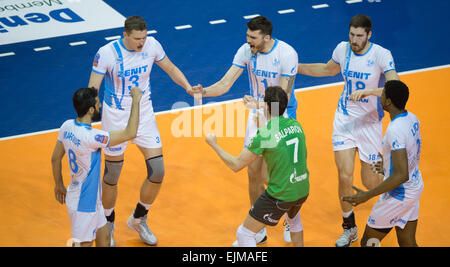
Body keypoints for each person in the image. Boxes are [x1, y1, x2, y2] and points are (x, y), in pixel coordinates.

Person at [87, 15, 196, 246]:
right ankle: (108, 222)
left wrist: (187, 87)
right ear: (125, 34)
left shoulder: (152, 45)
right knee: (112, 175)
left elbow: (171, 68)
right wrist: (87, 121)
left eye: (144, 37)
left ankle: (139, 219)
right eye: (137, 38)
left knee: (157, 171)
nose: (142, 42)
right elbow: (92, 89)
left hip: (144, 115)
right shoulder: (106, 53)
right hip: (115, 118)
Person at [193, 15, 299, 244]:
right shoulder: (246, 51)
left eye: (253, 37)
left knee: (277, 176)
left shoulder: (287, 54)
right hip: (257, 114)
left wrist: (259, 105)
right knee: (253, 174)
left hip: (280, 116)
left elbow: (283, 98)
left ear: (266, 37)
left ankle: (292, 221)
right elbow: (225, 83)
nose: (248, 40)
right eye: (247, 35)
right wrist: (204, 92)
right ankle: (257, 229)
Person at [296, 14, 400, 247]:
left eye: (359, 36)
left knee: (371, 183)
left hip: (371, 124)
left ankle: (395, 201)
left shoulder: (381, 55)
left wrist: (369, 92)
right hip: (344, 121)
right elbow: (327, 70)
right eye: (351, 34)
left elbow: (396, 87)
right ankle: (349, 228)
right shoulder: (343, 49)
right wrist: (297, 67)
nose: (354, 40)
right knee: (344, 176)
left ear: (369, 35)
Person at [205, 86, 309, 247]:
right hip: (302, 190)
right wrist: (264, 128)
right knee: (294, 220)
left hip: (281, 194)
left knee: (244, 234)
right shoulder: (296, 125)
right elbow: (276, 148)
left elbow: (236, 165)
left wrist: (214, 145)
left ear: (266, 107)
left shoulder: (264, 135)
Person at [51, 86, 143, 247]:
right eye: (98, 103)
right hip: (83, 205)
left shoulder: (66, 126)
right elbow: (130, 133)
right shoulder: (92, 137)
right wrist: (135, 100)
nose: (100, 106)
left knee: (105, 239)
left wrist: (58, 184)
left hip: (90, 200)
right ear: (91, 110)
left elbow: (55, 158)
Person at [343, 80, 423, 247]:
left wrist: (367, 195)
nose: (380, 95)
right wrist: (388, 165)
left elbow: (401, 175)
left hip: (399, 195)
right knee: (407, 241)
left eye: (383, 93)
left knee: (368, 242)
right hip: (414, 188)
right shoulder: (412, 118)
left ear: (388, 102)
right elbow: (410, 152)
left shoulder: (395, 130)